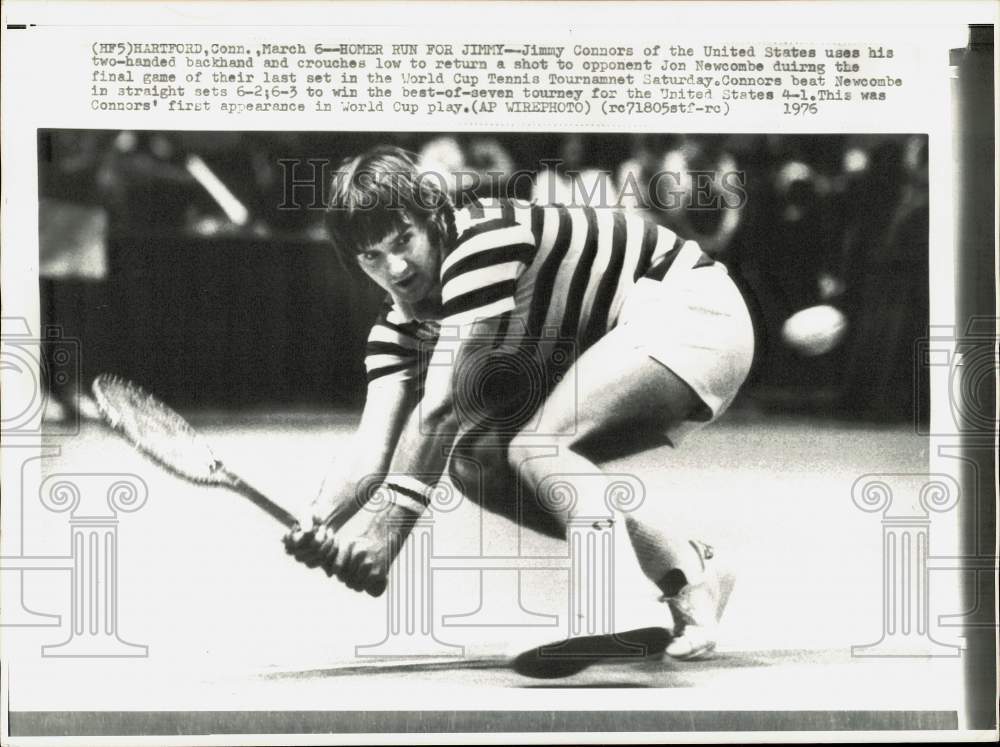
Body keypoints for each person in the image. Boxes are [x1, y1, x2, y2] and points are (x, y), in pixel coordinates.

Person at [284, 145, 757, 670]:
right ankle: (688, 572)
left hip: (692, 308)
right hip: (636, 342)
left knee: (539, 445)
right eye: (372, 256)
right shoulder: (396, 331)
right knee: (478, 463)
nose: (396, 267)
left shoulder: (479, 240)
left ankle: (612, 605)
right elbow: (370, 452)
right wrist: (319, 523)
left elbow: (443, 407)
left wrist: (385, 535)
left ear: (433, 217)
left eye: (404, 240)